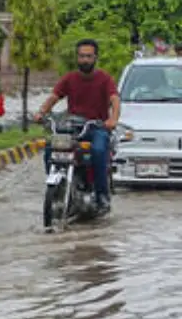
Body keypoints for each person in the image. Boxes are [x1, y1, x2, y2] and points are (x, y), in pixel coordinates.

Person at [31, 39, 120, 213]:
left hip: (96, 127)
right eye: (81, 56)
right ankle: (58, 187)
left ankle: (102, 195)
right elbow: (54, 97)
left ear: (95, 58)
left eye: (88, 56)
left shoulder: (104, 79)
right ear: (77, 58)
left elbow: (114, 100)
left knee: (99, 150)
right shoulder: (70, 78)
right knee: (50, 148)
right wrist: (41, 113)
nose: (85, 60)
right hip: (72, 127)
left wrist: (113, 120)